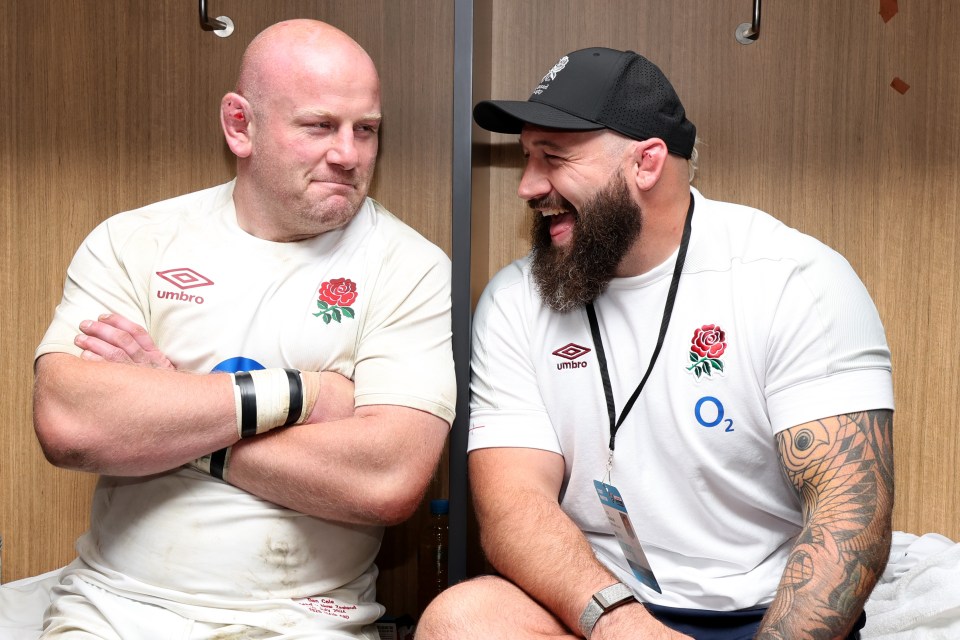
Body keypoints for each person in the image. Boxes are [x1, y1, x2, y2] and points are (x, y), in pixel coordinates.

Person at [416, 47, 893, 640]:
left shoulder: (795, 280)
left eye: (554, 158)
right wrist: (621, 625)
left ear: (646, 162)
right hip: (601, 604)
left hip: (770, 616)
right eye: (526, 158)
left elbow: (850, 516)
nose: (528, 187)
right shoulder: (516, 298)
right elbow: (514, 503)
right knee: (461, 619)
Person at [31, 19, 455, 640]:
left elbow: (386, 479)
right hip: (115, 607)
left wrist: (169, 414)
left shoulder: (408, 266)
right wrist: (304, 396)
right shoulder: (134, 241)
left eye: (366, 129)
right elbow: (69, 425)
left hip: (306, 619)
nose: (348, 153)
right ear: (240, 125)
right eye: (318, 125)